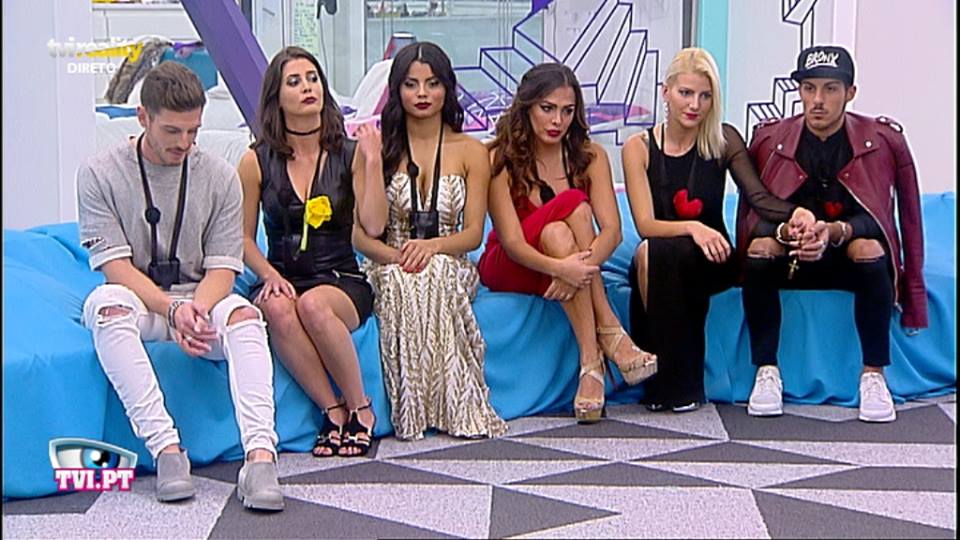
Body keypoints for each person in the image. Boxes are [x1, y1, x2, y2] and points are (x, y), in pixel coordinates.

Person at [78, 62, 284, 511]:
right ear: (143, 117)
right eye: (172, 131)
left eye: (194, 131)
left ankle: (261, 458)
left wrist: (195, 311)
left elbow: (223, 268)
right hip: (140, 300)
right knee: (105, 307)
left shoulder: (220, 176)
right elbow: (115, 267)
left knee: (247, 317)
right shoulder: (99, 173)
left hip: (201, 302)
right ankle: (167, 450)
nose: (184, 143)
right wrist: (171, 311)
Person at [736, 45, 927, 422]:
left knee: (869, 248)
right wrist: (788, 232)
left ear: (850, 92)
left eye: (830, 89)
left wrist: (836, 231)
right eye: (809, 88)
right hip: (791, 258)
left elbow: (894, 221)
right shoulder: (769, 139)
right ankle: (766, 371)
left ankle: (873, 375)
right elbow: (750, 217)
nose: (817, 100)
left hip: (849, 256)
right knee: (759, 248)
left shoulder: (883, 139)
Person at [622, 47, 815, 413]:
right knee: (652, 252)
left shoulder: (724, 139)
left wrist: (796, 212)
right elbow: (645, 225)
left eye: (705, 96)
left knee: (661, 255)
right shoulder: (638, 147)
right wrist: (694, 228)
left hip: (714, 258)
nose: (694, 105)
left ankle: (677, 384)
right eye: (686, 93)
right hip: (665, 252)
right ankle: (664, 379)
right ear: (666, 92)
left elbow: (758, 196)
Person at [478, 62, 657, 424]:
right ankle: (611, 331)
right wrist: (562, 269)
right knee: (574, 202)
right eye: (547, 108)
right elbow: (511, 241)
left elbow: (612, 231)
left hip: (564, 261)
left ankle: (591, 364)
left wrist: (576, 270)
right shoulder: (498, 156)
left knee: (558, 233)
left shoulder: (591, 156)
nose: (557, 120)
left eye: (567, 110)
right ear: (526, 106)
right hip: (509, 262)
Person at [354, 42, 507, 440]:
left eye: (432, 83)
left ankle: (456, 406)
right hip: (388, 261)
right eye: (411, 84)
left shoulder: (472, 151)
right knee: (405, 280)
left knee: (435, 273)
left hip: (451, 261)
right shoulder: (375, 150)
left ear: (447, 88)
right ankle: (415, 410)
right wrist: (398, 256)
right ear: (397, 90)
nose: (422, 94)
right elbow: (362, 233)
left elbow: (473, 235)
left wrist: (431, 248)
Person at [238, 46, 387, 457]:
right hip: (283, 276)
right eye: (294, 81)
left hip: (341, 280)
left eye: (312, 78)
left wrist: (373, 161)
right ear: (277, 97)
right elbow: (243, 239)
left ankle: (361, 408)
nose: (308, 88)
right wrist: (269, 275)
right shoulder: (254, 161)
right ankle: (333, 411)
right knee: (278, 306)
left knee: (314, 305)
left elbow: (375, 225)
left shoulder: (350, 153)